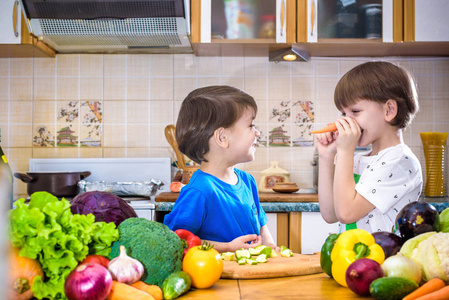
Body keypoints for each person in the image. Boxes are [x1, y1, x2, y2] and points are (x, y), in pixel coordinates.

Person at [164, 85, 278, 252]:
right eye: (251, 125)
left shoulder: (248, 181)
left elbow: (261, 227)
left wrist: (271, 248)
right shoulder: (200, 190)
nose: (257, 133)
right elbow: (176, 241)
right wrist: (227, 247)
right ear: (222, 137)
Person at [315, 61, 422, 233]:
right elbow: (331, 214)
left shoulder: (399, 162)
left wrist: (344, 151)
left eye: (355, 112)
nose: (344, 121)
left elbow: (346, 213)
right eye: (343, 114)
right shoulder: (359, 159)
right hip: (354, 256)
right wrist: (327, 156)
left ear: (389, 110)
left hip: (383, 258)